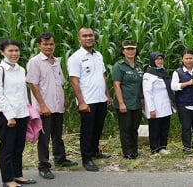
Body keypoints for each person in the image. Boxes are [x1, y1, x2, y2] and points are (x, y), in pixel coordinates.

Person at [26, 33, 77, 180]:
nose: (49, 47)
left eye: (51, 44)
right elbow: (33, 84)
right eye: (45, 44)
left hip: (57, 105)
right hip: (44, 108)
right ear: (38, 45)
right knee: (44, 137)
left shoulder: (56, 62)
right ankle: (43, 166)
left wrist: (64, 100)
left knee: (57, 134)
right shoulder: (35, 62)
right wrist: (42, 106)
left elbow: (59, 83)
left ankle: (60, 158)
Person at [0, 39, 37, 187]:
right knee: (7, 148)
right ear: (2, 52)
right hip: (7, 116)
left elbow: (23, 94)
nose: (14, 53)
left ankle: (18, 175)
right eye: (10, 51)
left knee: (18, 147)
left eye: (16, 50)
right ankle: (8, 179)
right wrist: (9, 115)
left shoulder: (21, 69)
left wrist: (27, 112)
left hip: (21, 114)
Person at [67, 27, 112, 172]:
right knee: (87, 130)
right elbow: (74, 81)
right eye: (85, 36)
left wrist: (107, 95)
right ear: (79, 39)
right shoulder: (75, 57)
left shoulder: (98, 55)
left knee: (98, 128)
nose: (88, 38)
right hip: (87, 100)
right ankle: (87, 159)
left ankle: (95, 151)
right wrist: (81, 102)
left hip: (101, 98)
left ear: (94, 37)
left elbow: (103, 76)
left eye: (91, 35)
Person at [111, 40, 144, 159]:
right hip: (124, 102)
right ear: (123, 51)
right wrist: (121, 103)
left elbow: (142, 84)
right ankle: (128, 152)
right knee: (126, 128)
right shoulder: (119, 66)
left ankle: (135, 150)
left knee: (134, 128)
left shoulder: (139, 65)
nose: (130, 51)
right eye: (128, 49)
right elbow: (116, 85)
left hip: (136, 103)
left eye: (133, 49)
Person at [171, 49, 193, 155]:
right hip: (184, 105)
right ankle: (187, 147)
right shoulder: (178, 72)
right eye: (186, 58)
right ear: (182, 59)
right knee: (186, 127)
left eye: (190, 58)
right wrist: (186, 83)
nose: (188, 60)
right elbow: (173, 86)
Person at [143, 52, 174, 155]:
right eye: (157, 59)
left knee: (164, 128)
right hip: (155, 106)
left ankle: (162, 147)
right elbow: (147, 92)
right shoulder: (148, 74)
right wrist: (151, 109)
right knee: (154, 129)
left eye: (161, 59)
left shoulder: (163, 72)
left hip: (165, 105)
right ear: (152, 61)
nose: (160, 61)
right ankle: (154, 149)